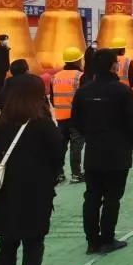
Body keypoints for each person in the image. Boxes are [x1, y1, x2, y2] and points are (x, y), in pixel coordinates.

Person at [0, 74, 62, 265]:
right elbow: (57, 153)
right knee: (33, 241)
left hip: (7, 188)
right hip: (36, 189)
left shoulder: (3, 121)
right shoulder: (42, 122)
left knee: (7, 242)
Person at [71, 49, 133, 254]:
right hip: (117, 151)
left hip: (94, 151)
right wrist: (132, 140)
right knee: (112, 197)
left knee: (92, 196)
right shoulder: (121, 91)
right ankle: (107, 239)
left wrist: (92, 134)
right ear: (114, 66)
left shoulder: (84, 91)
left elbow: (77, 121)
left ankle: (92, 241)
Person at [50, 47, 85, 184]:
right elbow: (84, 97)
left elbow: (52, 98)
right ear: (77, 61)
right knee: (76, 146)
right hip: (76, 118)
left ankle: (58, 174)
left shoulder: (55, 77)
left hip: (60, 117)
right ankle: (76, 174)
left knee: (61, 146)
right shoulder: (80, 76)